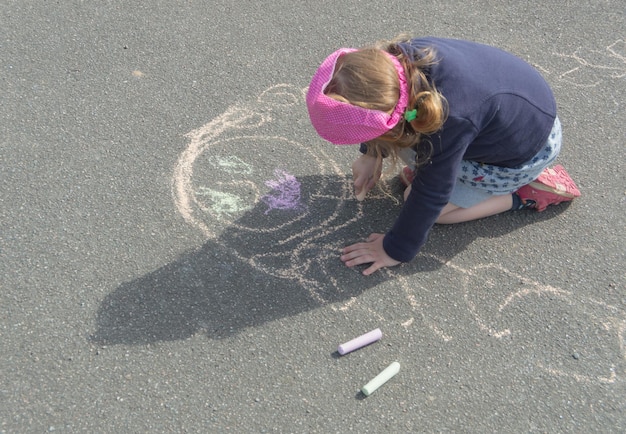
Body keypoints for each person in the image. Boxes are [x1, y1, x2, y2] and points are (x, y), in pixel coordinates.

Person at [306, 36, 581, 275]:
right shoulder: (402, 62)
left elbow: (432, 193)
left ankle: (522, 194)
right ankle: (448, 171)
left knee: (427, 205)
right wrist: (370, 153)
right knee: (410, 148)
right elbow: (382, 112)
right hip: (512, 116)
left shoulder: (449, 121)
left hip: (523, 154)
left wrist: (394, 249)